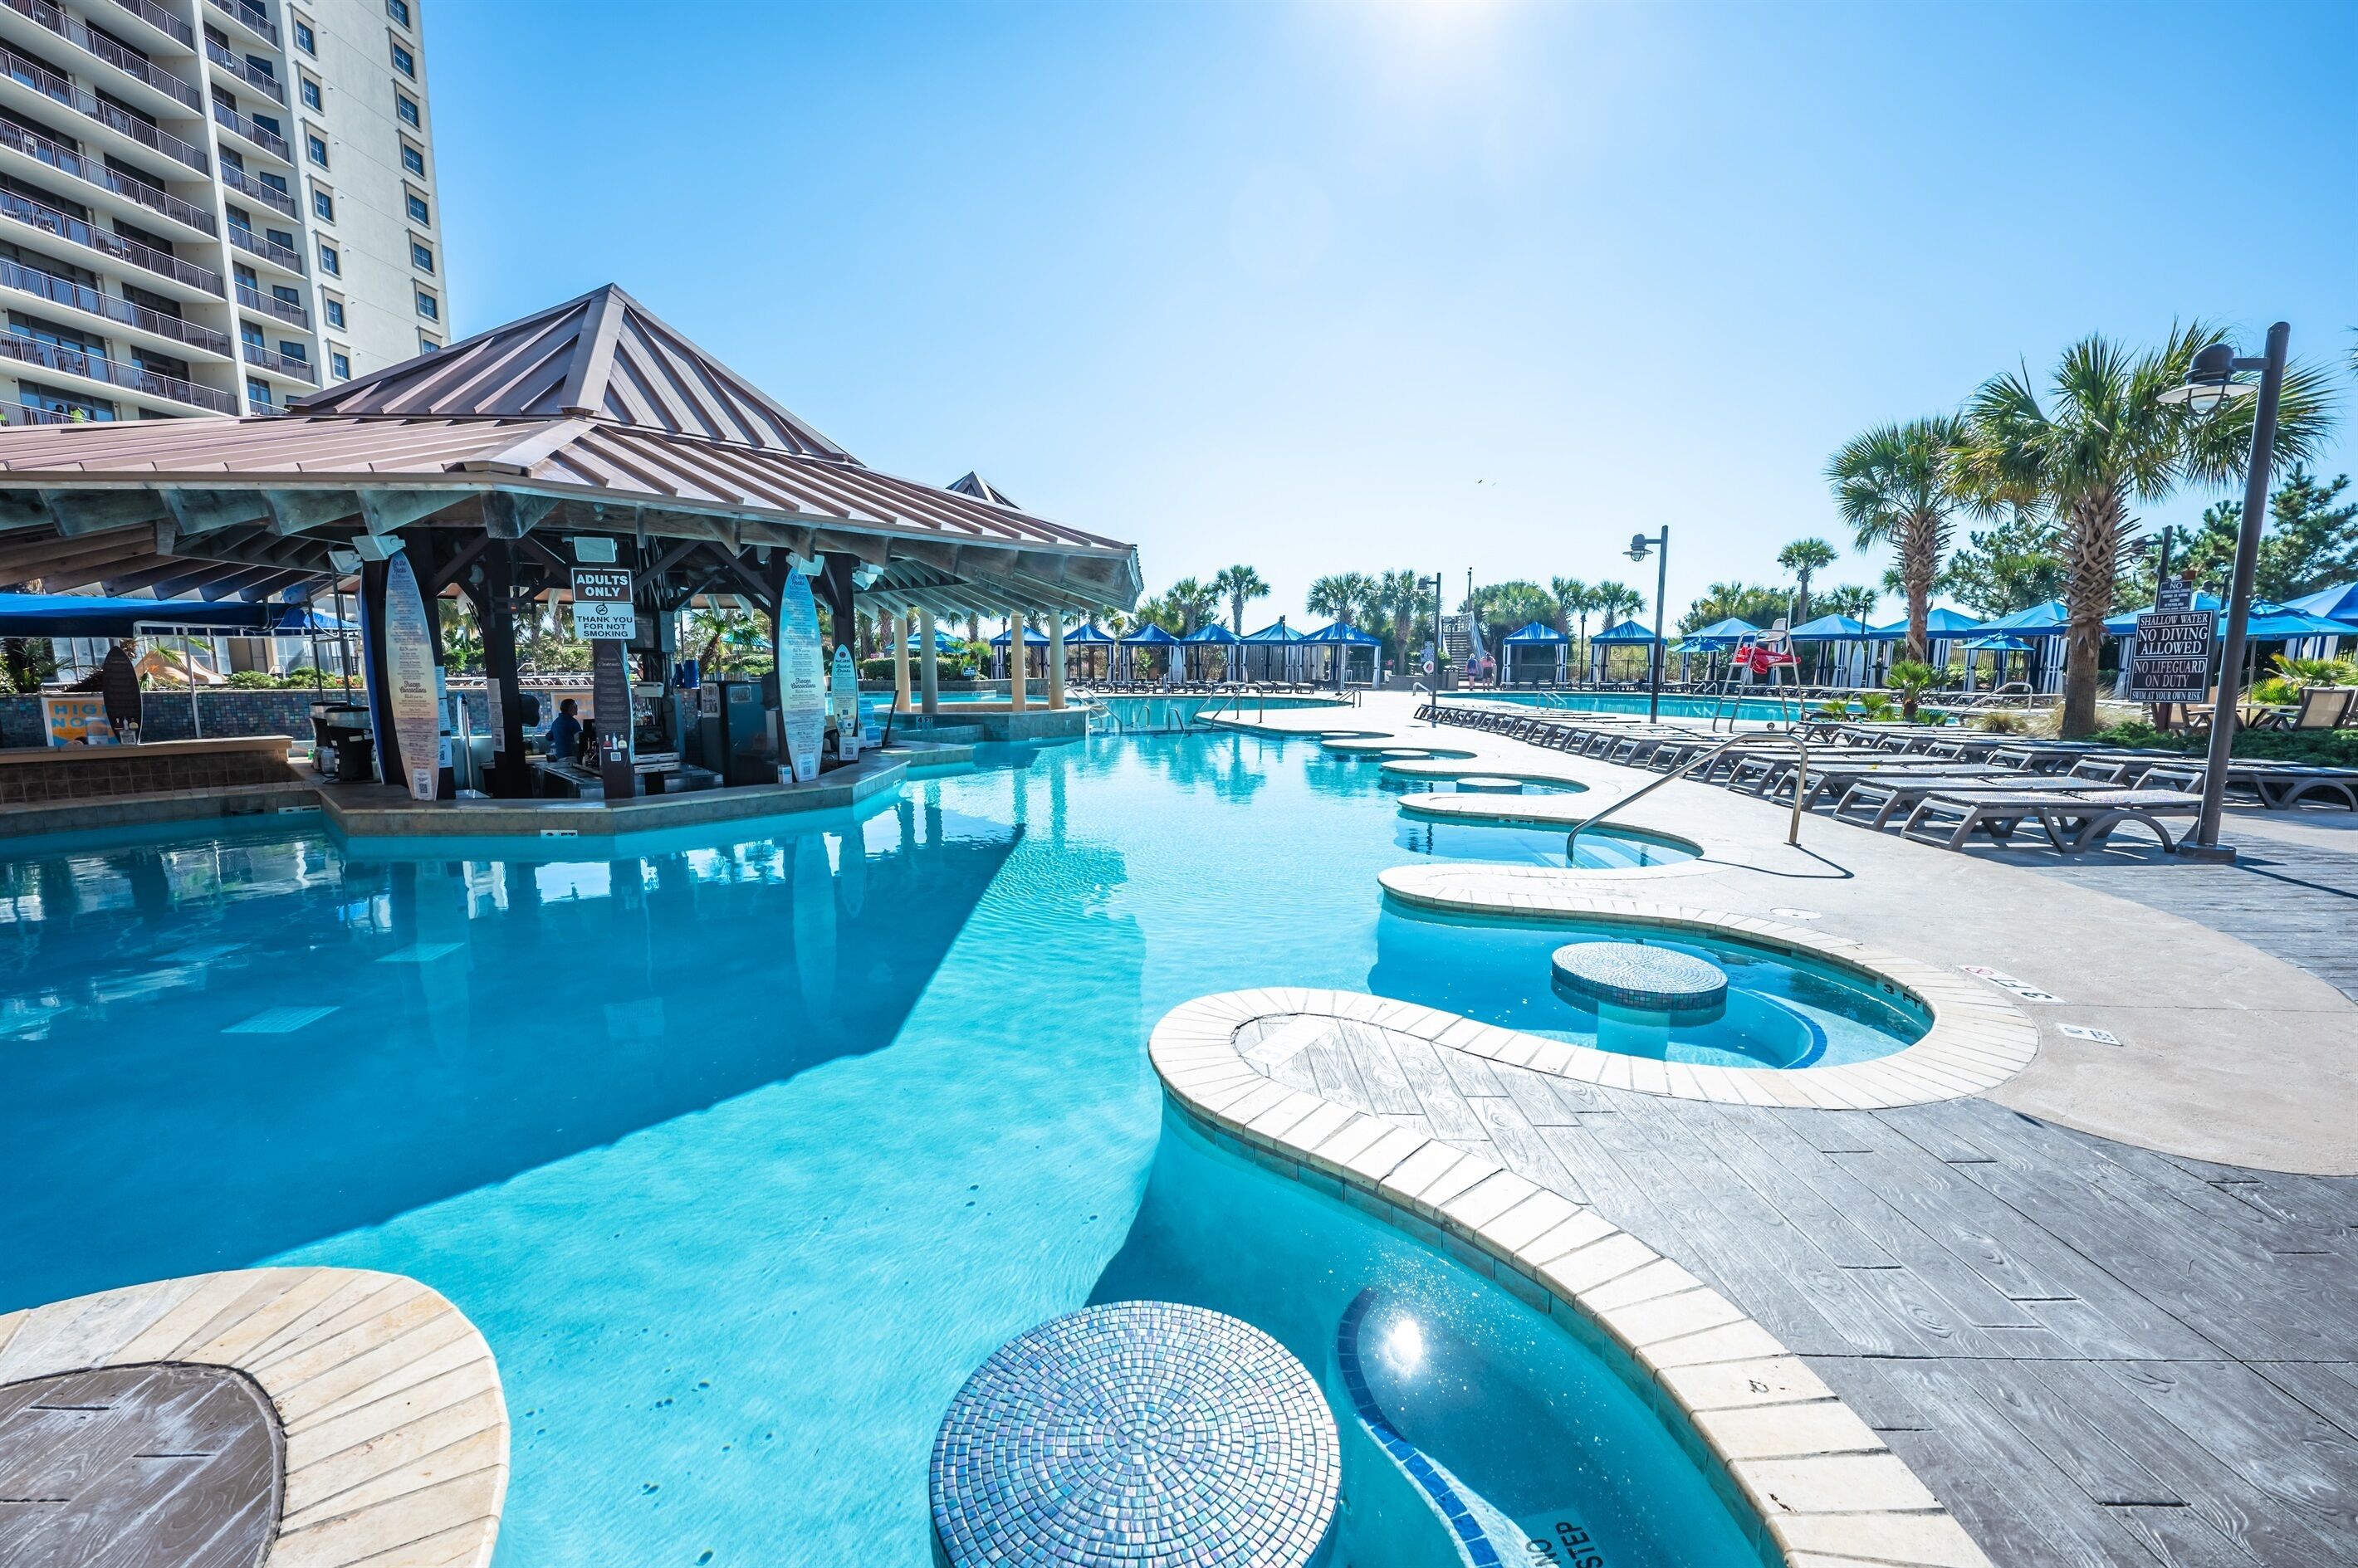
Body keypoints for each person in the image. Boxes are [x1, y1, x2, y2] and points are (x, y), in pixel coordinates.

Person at [544, 697, 582, 764]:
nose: (577, 708)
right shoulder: (572, 722)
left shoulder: (556, 722)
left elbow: (548, 737)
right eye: (575, 706)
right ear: (570, 708)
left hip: (560, 758)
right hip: (571, 758)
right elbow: (581, 739)